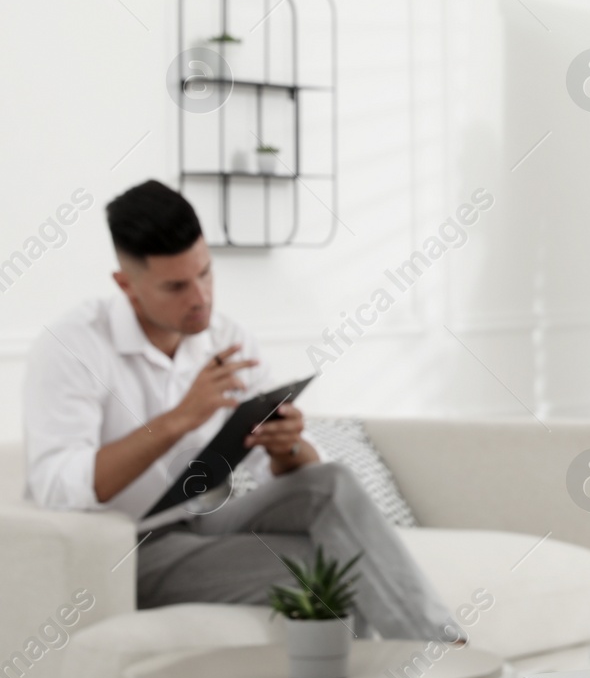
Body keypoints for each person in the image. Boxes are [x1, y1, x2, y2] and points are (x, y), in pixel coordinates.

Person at [23, 180, 458, 645]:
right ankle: (445, 666)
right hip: (130, 548)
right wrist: (179, 420)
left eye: (206, 274)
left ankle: (446, 653)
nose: (200, 297)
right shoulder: (74, 346)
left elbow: (279, 474)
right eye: (176, 286)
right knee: (332, 576)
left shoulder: (226, 340)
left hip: (208, 520)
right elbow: (55, 487)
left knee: (329, 484)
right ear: (126, 286)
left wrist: (287, 445)